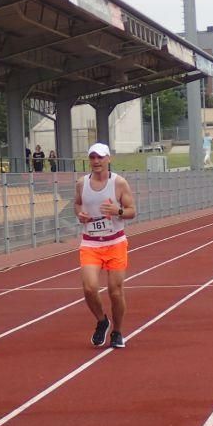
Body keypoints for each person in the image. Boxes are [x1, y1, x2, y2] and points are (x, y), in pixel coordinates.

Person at [74, 142, 136, 349]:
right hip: (90, 243)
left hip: (115, 242)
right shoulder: (82, 183)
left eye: (100, 157)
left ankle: (117, 331)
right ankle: (102, 321)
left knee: (115, 291)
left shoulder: (119, 183)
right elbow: (77, 203)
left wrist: (118, 211)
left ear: (108, 159)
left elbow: (132, 211)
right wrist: (80, 214)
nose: (96, 161)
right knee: (89, 288)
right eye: (92, 157)